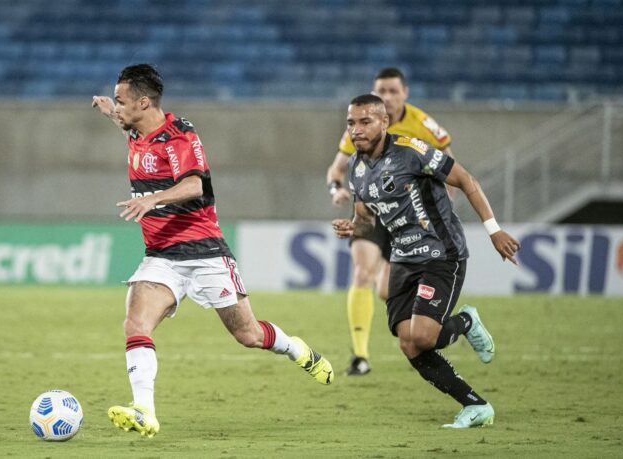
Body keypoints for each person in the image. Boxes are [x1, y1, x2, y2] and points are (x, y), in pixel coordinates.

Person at [92, 64, 334, 437]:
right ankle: (145, 410)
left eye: (123, 102)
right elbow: (122, 121)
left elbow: (193, 186)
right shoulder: (136, 128)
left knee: (248, 335)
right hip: (161, 257)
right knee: (135, 322)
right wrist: (110, 109)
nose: (119, 110)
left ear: (144, 102)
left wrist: (152, 200)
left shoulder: (180, 137)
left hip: (204, 252)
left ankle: (296, 349)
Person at [332, 94, 520, 428]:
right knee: (409, 343)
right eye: (351, 123)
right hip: (402, 258)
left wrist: (494, 231)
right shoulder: (356, 169)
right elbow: (365, 219)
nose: (356, 130)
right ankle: (475, 405)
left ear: (384, 122)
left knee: (423, 335)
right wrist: (352, 227)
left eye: (365, 122)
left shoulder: (411, 150)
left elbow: (465, 180)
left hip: (441, 254)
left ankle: (465, 323)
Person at [326, 68, 455, 375]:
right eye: (381, 90)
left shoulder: (423, 124)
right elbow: (336, 169)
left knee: (386, 291)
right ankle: (360, 357)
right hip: (370, 211)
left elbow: (449, 164)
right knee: (361, 271)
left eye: (393, 91)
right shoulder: (359, 127)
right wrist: (336, 189)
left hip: (409, 218)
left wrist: (443, 207)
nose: (387, 96)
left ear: (405, 93)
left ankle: (426, 324)